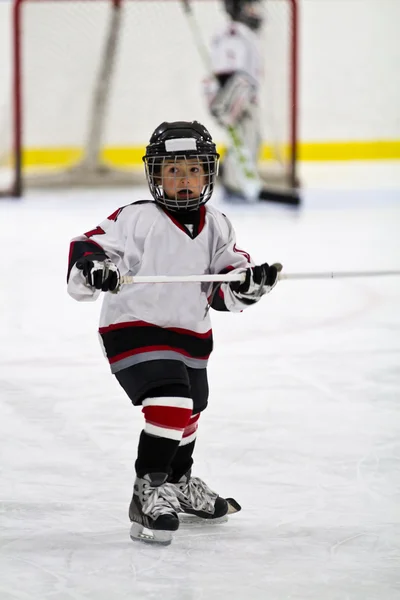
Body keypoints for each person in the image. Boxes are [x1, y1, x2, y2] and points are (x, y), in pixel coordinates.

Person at [67, 120, 280, 545]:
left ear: (208, 174)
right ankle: (148, 489)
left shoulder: (217, 224)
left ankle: (179, 482)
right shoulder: (135, 218)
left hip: (191, 335)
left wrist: (247, 283)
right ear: (155, 175)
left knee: (192, 405)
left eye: (193, 171)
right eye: (173, 171)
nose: (184, 181)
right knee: (171, 399)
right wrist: (96, 269)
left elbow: (225, 282)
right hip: (132, 328)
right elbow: (87, 247)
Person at [204, 0, 299, 205]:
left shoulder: (245, 33)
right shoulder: (234, 32)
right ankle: (236, 185)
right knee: (246, 139)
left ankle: (235, 182)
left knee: (251, 139)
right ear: (237, 8)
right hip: (238, 98)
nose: (256, 11)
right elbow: (228, 72)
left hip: (244, 96)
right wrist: (230, 102)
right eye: (250, 6)